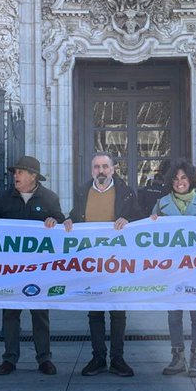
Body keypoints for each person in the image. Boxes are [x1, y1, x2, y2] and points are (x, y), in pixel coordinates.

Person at [63, 152, 140, 377]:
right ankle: (98, 357)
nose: (101, 171)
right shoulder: (82, 192)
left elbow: (139, 219)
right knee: (95, 312)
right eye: (97, 167)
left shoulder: (126, 193)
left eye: (105, 167)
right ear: (91, 171)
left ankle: (117, 358)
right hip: (91, 262)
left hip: (118, 262)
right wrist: (68, 220)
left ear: (113, 169)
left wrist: (130, 221)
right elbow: (76, 217)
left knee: (118, 312)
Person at [0, 155, 64, 375]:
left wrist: (54, 221)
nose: (15, 176)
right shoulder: (5, 198)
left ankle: (44, 358)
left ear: (33, 176)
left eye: (20, 172)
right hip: (11, 269)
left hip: (40, 269)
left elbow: (61, 220)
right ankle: (9, 359)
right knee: (10, 313)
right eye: (15, 172)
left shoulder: (49, 198)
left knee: (40, 313)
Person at [151, 159, 196, 378]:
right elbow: (150, 239)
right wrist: (152, 223)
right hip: (172, 270)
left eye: (184, 178)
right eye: (176, 178)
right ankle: (177, 356)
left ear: (191, 180)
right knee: (174, 316)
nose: (180, 182)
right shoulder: (161, 205)